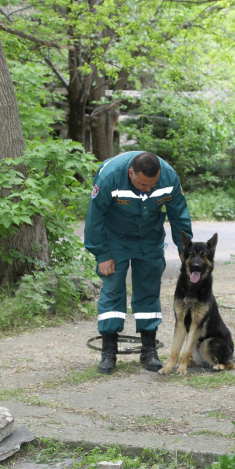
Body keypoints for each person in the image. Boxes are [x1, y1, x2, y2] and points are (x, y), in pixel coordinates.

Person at [84, 151, 193, 374]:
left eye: (152, 184)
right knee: (113, 289)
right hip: (115, 239)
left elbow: (178, 213)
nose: (148, 189)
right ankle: (109, 351)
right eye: (143, 184)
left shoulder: (169, 177)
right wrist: (102, 254)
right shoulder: (110, 177)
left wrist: (185, 249)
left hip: (150, 239)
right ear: (130, 173)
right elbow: (95, 217)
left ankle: (149, 350)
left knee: (148, 290)